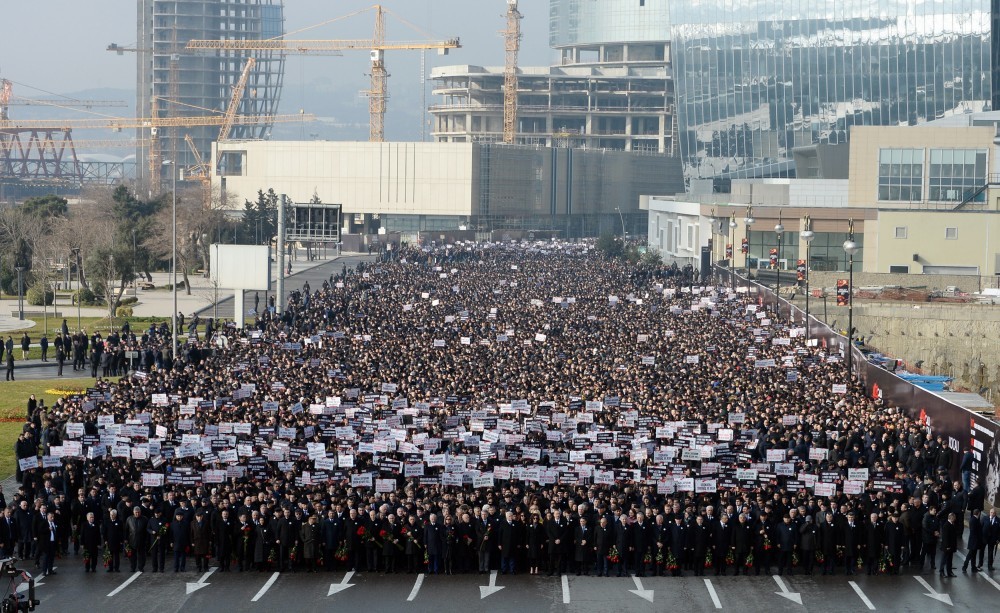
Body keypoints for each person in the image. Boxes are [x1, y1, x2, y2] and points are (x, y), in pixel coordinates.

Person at [125, 505, 148, 573]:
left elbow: (147, 530)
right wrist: (125, 539)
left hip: (141, 540)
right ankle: (133, 567)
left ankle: (141, 567)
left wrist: (146, 540)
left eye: (138, 512)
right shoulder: (129, 519)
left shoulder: (144, 519)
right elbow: (126, 530)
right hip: (132, 540)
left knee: (142, 556)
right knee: (132, 556)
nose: (137, 514)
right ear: (133, 512)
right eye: (136, 512)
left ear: (140, 512)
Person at [963, 508, 983, 573]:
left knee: (973, 555)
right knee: (970, 555)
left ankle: (973, 567)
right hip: (974, 541)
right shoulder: (975, 520)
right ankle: (964, 567)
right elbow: (975, 531)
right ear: (978, 513)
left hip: (973, 541)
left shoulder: (973, 519)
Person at [940, 512, 959, 577]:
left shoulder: (952, 524)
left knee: (950, 560)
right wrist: (947, 546)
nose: (955, 518)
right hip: (947, 546)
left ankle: (949, 572)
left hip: (951, 546)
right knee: (944, 559)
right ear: (952, 518)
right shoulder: (946, 525)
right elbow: (945, 537)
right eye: (954, 517)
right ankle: (941, 571)